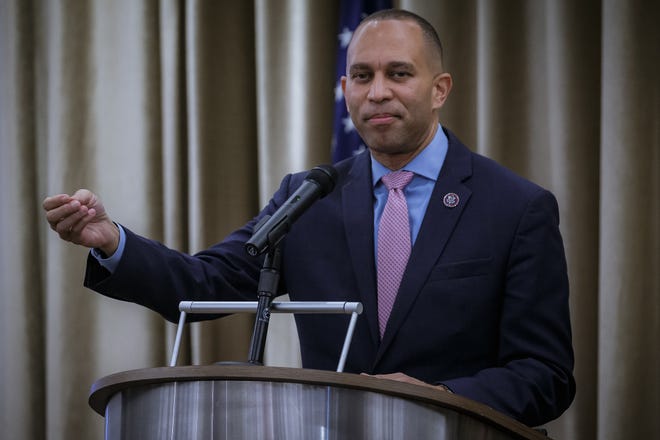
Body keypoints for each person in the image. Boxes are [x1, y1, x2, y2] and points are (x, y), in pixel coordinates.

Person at [43, 9, 575, 426]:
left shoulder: (517, 207)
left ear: (440, 89)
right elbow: (205, 285)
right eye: (362, 76)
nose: (378, 92)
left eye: (399, 73)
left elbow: (545, 374)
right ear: (346, 92)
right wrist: (112, 242)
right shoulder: (308, 199)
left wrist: (444, 398)